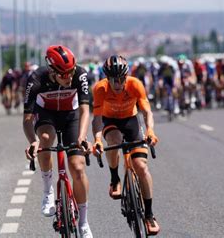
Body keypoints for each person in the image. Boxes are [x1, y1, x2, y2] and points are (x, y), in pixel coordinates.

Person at [23, 45, 93, 237]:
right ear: (52, 71)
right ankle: (48, 192)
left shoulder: (80, 74)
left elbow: (85, 110)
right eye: (64, 74)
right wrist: (33, 141)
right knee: (45, 139)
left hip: (71, 115)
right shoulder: (36, 79)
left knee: (77, 167)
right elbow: (27, 118)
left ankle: (84, 222)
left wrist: (82, 136)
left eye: (71, 72)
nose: (69, 78)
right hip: (47, 115)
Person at [91, 55, 160, 235]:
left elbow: (147, 112)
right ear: (107, 78)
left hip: (131, 121)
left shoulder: (135, 84)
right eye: (114, 79)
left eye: (121, 78)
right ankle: (115, 179)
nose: (118, 83)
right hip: (110, 121)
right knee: (113, 140)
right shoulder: (100, 89)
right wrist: (97, 139)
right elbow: (97, 119)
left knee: (141, 167)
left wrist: (151, 130)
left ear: (126, 76)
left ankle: (149, 214)